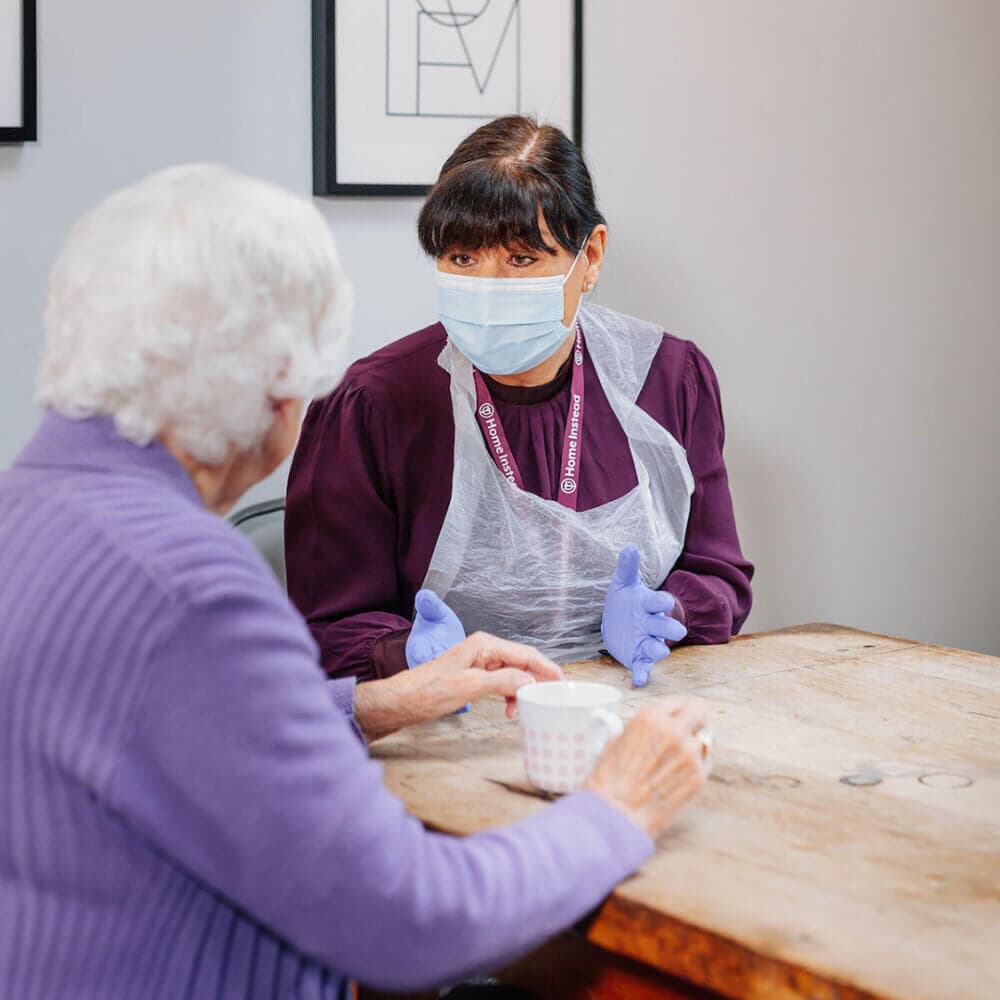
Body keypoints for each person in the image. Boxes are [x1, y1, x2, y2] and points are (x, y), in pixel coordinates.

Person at [0, 164, 711, 999]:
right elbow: (412, 921)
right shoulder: (192, 591)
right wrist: (617, 807)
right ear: (277, 386)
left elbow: (166, 729)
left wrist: (376, 701)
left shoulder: (29, 512)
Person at [286, 115, 754, 687]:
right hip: (444, 721)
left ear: (592, 257)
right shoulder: (372, 406)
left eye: (522, 259)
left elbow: (718, 573)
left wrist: (669, 614)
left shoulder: (668, 380)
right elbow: (328, 624)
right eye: (463, 259)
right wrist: (403, 653)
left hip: (633, 699)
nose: (489, 286)